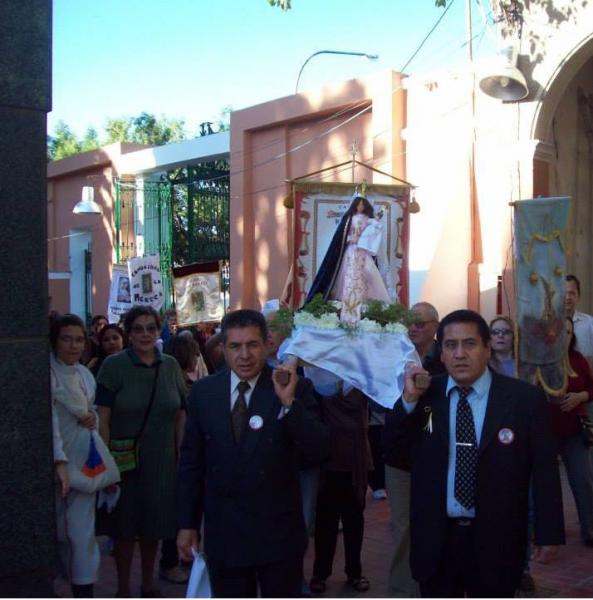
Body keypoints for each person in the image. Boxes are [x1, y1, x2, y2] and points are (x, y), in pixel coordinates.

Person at [384, 309, 565, 597]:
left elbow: (544, 469)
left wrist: (549, 532)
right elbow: (393, 450)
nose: (459, 354)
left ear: (487, 348)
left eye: (469, 344)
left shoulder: (523, 400)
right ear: (441, 353)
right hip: (437, 540)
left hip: (497, 538)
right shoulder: (426, 396)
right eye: (450, 345)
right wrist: (407, 401)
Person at [176, 309, 329, 598]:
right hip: (225, 533)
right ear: (223, 348)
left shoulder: (292, 386)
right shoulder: (204, 393)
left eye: (252, 345)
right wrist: (187, 524)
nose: (244, 355)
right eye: (235, 346)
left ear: (267, 344)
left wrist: (289, 404)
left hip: (278, 535)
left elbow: (318, 447)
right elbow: (191, 463)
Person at [96, 306, 187, 598]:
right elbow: (103, 417)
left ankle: (147, 584)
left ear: (158, 329)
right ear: (129, 333)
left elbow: (180, 414)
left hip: (162, 460)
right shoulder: (114, 366)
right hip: (124, 460)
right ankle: (123, 588)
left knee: (153, 525)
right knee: (124, 529)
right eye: (138, 328)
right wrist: (106, 463)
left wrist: (180, 452)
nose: (145, 334)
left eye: (151, 328)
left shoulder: (171, 365)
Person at [383, 301, 445, 598]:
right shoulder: (392, 357)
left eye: (422, 323)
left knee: (437, 523)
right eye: (411, 322)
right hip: (400, 458)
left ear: (435, 326)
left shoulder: (446, 360)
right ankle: (402, 591)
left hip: (437, 458)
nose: (415, 328)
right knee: (403, 528)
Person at [50, 314, 101, 598]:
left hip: (84, 464)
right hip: (59, 464)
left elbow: (89, 409)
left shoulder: (84, 375)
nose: (73, 346)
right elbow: (51, 423)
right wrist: (58, 461)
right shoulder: (47, 373)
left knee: (83, 536)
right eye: (66, 339)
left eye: (79, 339)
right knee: (59, 534)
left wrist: (91, 417)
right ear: (55, 340)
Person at [310, 386, 372, 594]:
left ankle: (354, 571)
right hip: (328, 460)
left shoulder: (361, 379)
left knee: (354, 520)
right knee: (325, 522)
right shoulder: (321, 378)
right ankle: (320, 572)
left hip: (356, 461)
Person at [305, 193, 390, 323]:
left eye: (362, 204)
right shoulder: (349, 218)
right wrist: (350, 238)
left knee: (367, 272)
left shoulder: (368, 219)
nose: (360, 207)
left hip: (362, 251)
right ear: (354, 205)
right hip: (351, 250)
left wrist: (375, 223)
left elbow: (377, 226)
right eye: (358, 204)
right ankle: (345, 303)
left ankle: (364, 300)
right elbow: (343, 234)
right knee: (346, 273)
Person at [549, 317, 593, 544]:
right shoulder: (540, 361)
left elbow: (591, 387)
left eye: (567, 331)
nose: (562, 336)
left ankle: (590, 528)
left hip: (574, 431)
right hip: (545, 432)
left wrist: (581, 396)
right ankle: (549, 533)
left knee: (582, 480)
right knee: (547, 484)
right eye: (558, 331)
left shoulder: (578, 360)